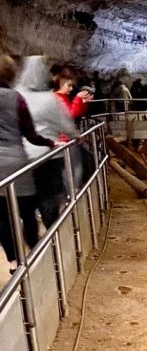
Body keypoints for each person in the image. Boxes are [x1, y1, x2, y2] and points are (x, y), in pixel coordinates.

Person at [0, 55, 57, 269]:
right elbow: (31, 134)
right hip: (16, 159)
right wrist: (51, 143)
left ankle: (14, 262)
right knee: (26, 209)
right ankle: (34, 253)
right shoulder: (16, 98)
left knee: (2, 217)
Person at [16, 56, 77, 230]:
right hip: (49, 154)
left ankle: (31, 234)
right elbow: (66, 124)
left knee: (29, 195)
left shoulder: (17, 96)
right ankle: (53, 230)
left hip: (25, 155)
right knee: (49, 194)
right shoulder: (50, 99)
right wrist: (76, 136)